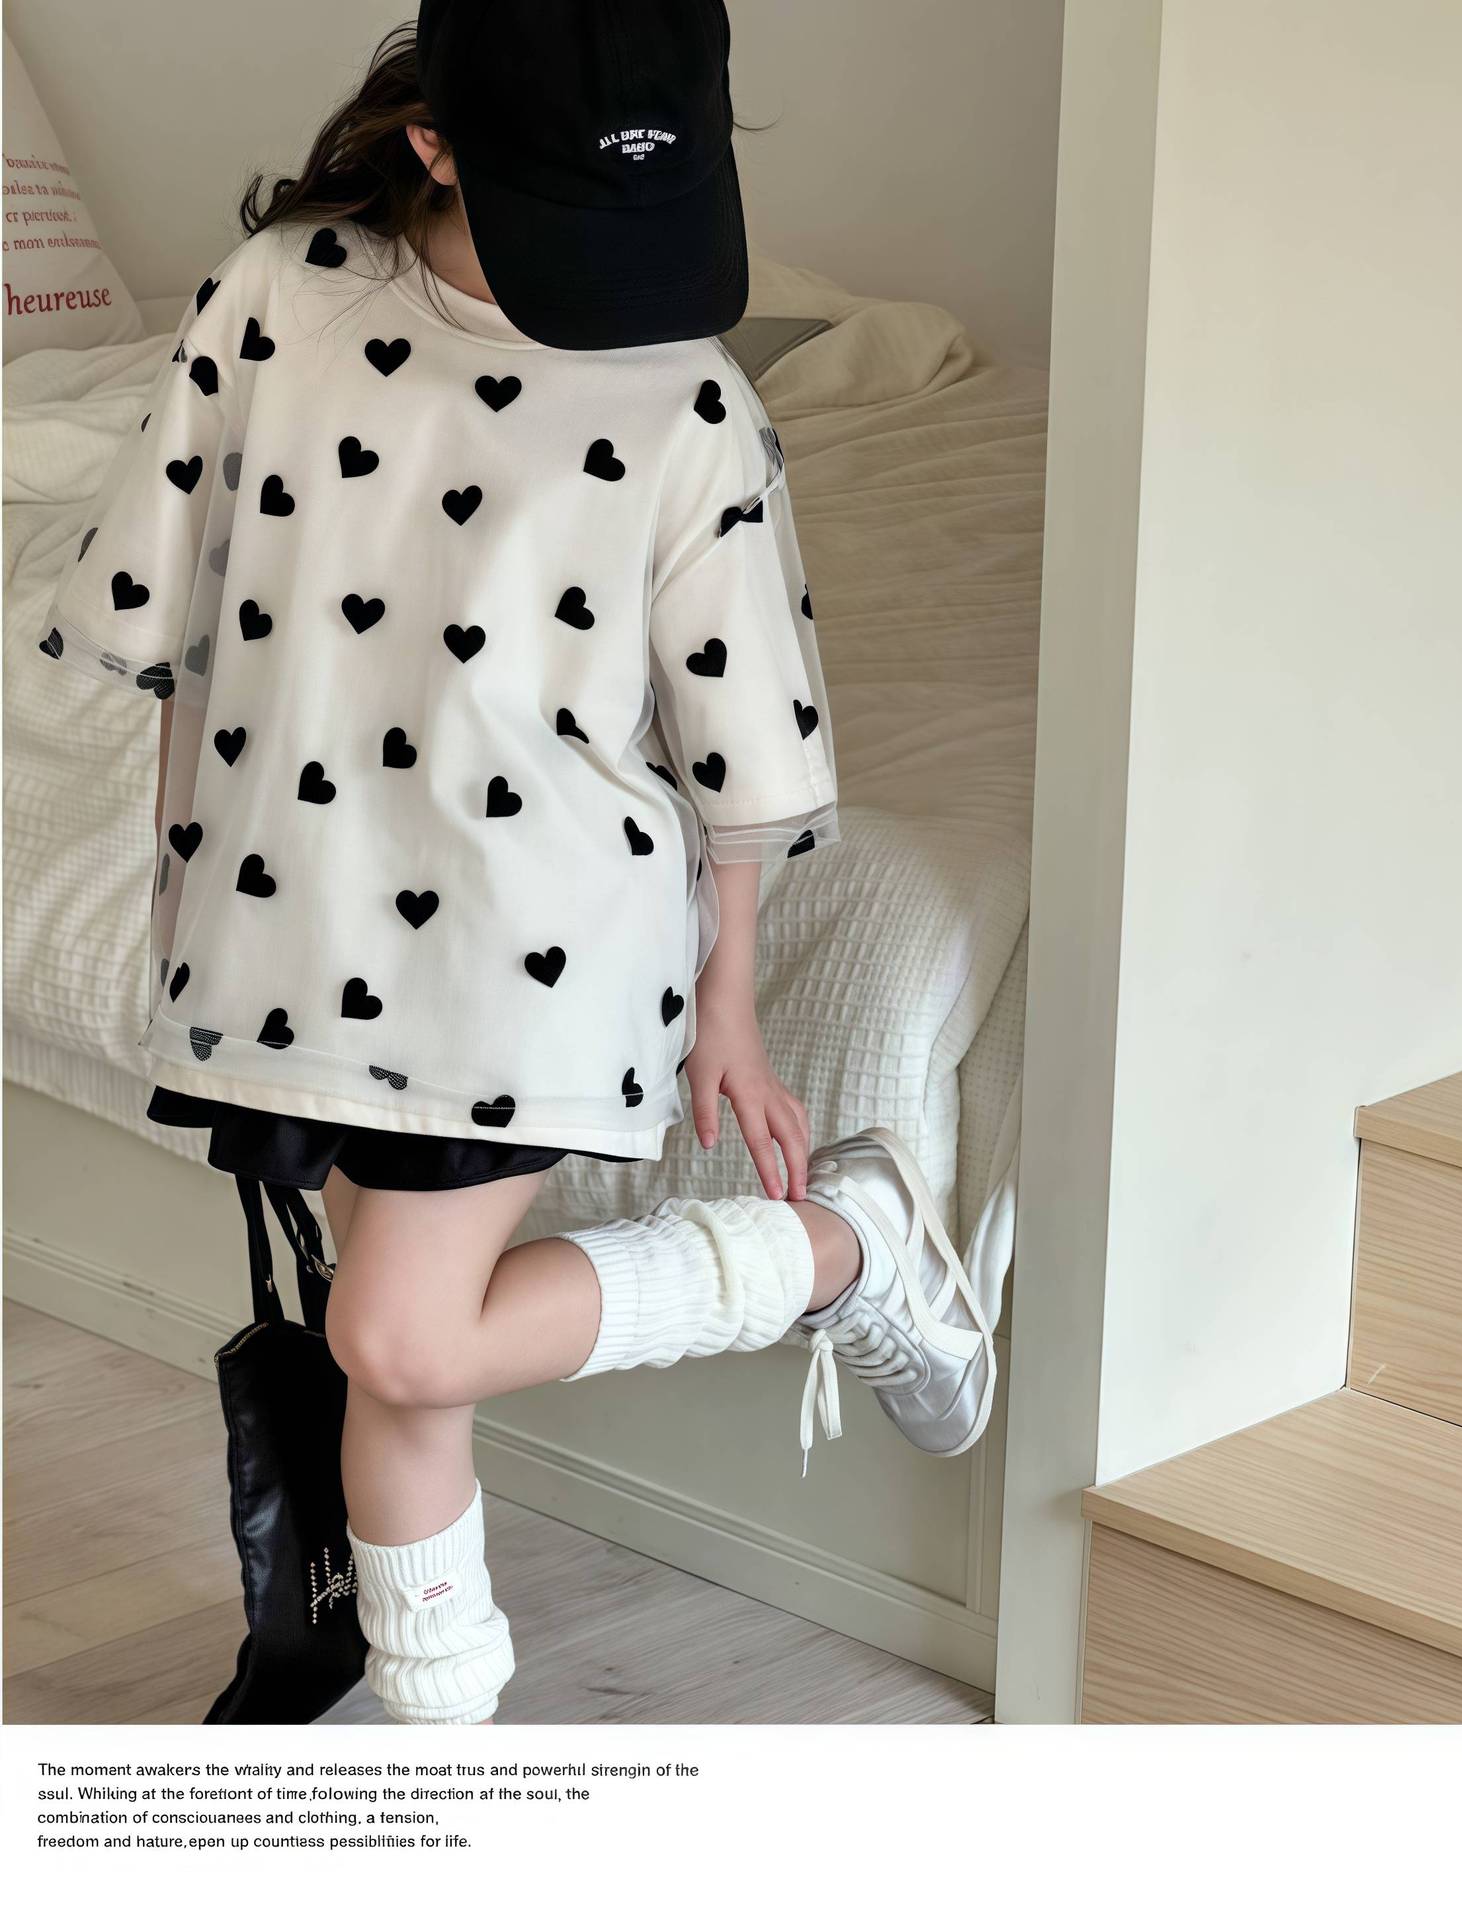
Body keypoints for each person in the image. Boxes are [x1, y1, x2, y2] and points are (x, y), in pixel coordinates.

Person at [37, 0, 994, 1726]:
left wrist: (730, 996)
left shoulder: (688, 393)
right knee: (405, 1388)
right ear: (436, 142)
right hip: (293, 917)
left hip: (543, 932)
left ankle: (844, 1250)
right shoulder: (276, 297)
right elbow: (182, 618)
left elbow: (744, 733)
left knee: (397, 1339)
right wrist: (186, 899)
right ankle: (444, 1767)